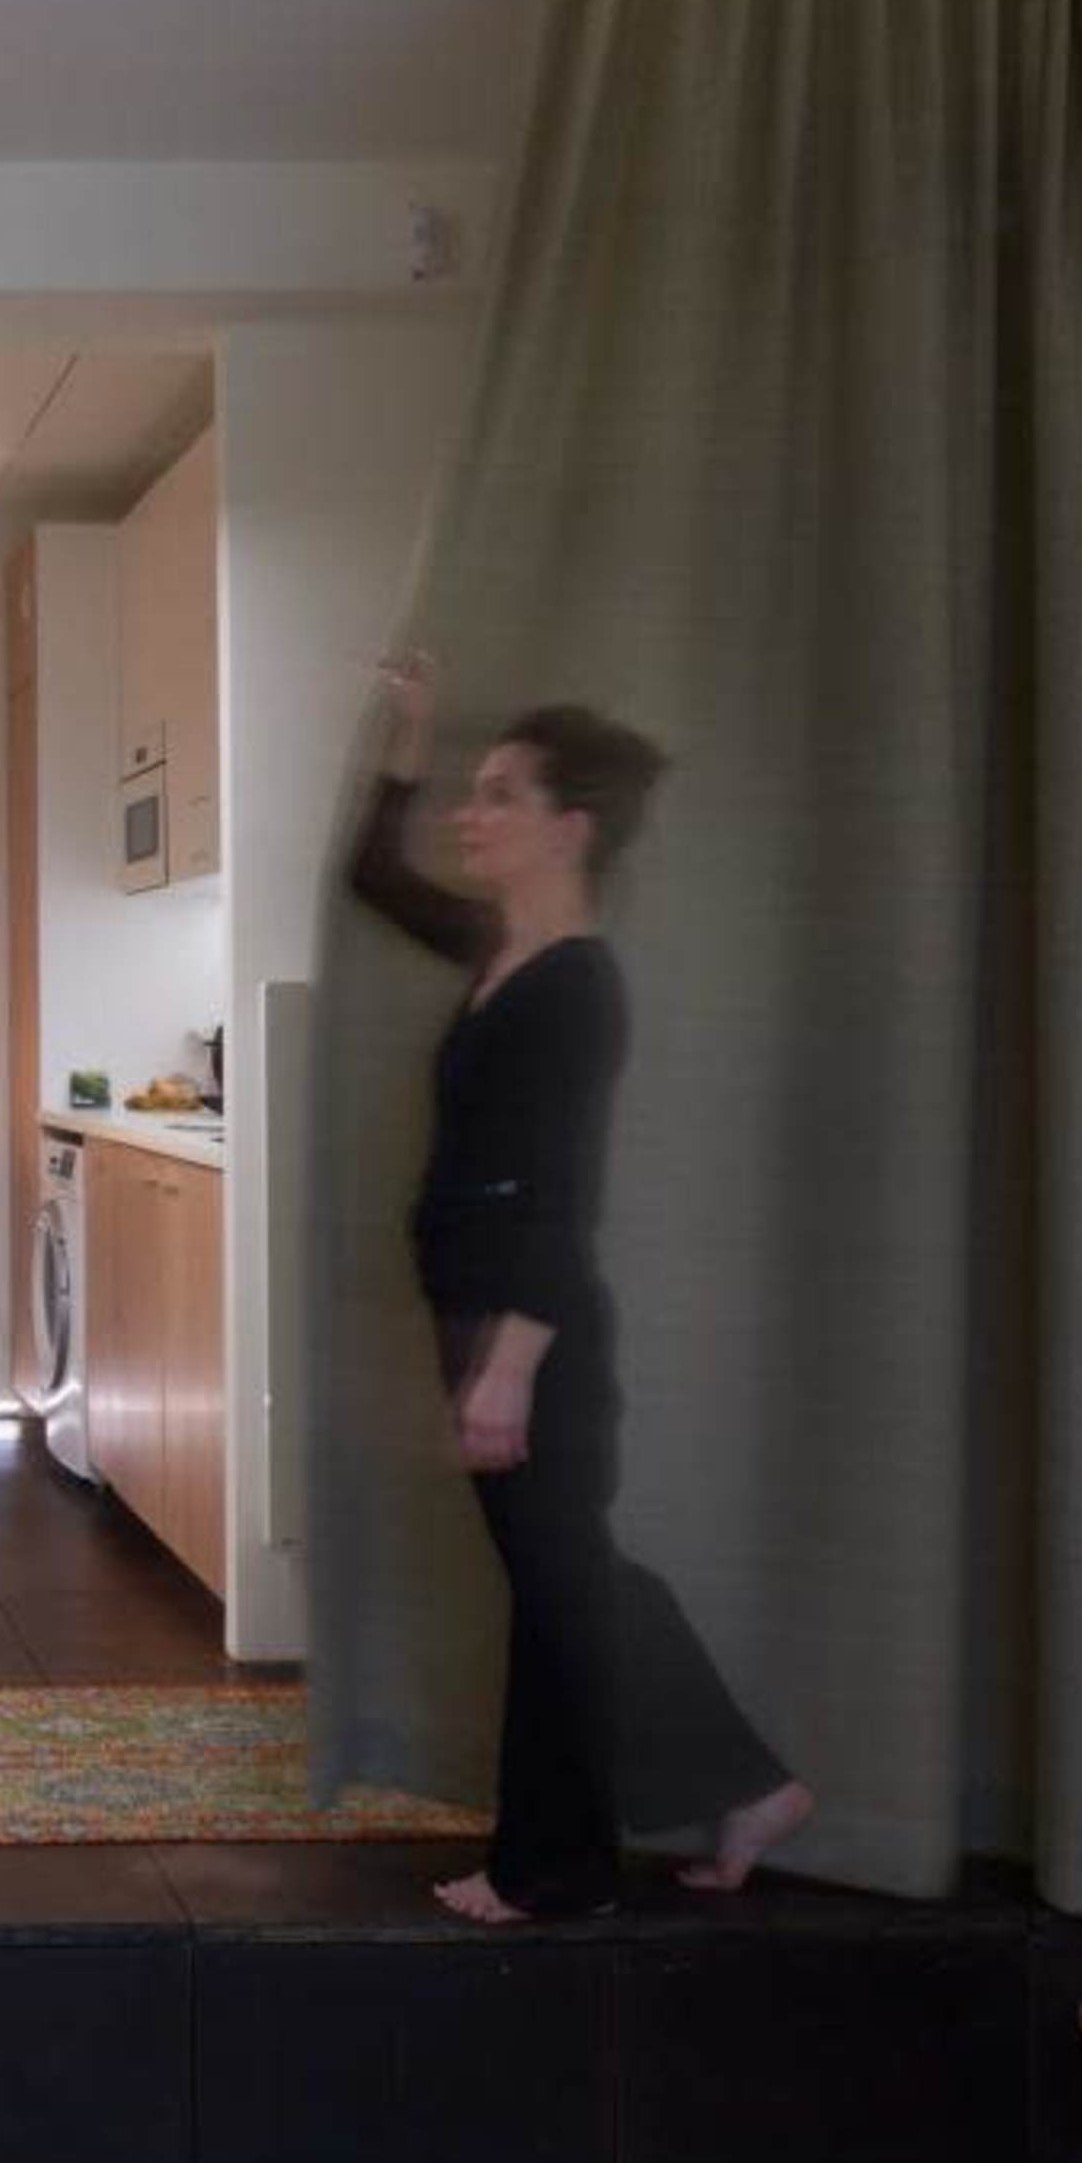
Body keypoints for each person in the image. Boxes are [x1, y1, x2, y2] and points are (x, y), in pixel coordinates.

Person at [346, 651, 812, 1924]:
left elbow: (561, 1194)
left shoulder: (578, 990)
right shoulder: (501, 946)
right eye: (470, 790)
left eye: (499, 794)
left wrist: (508, 1367)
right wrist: (410, 738)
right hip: (483, 1318)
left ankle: (549, 1868)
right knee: (573, 1581)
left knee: (561, 1601)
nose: (468, 812)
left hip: (529, 1337)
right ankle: (746, 1787)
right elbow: (372, 876)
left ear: (571, 828)